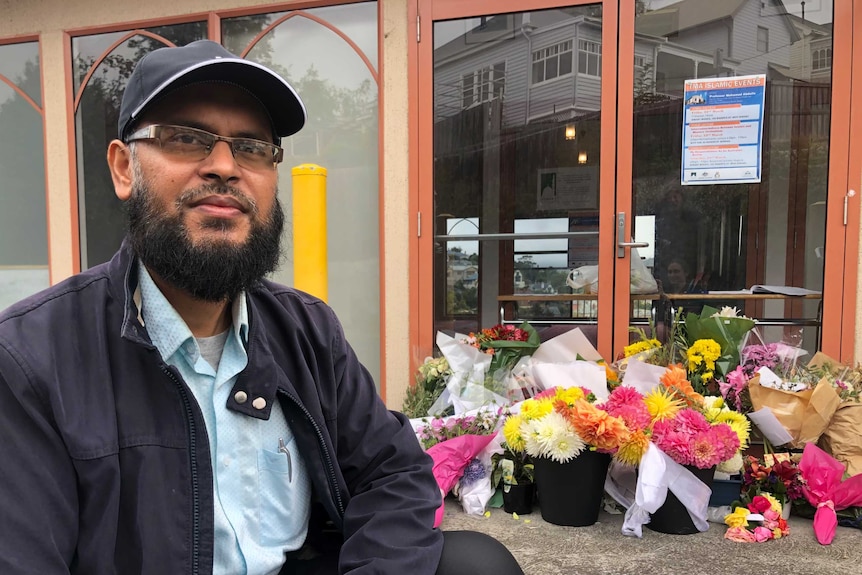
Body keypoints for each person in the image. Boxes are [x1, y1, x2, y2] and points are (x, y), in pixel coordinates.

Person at [0, 40, 523, 575]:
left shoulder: (306, 330)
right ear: (123, 168)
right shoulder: (29, 360)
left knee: (477, 564)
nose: (225, 166)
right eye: (187, 138)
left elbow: (393, 473)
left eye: (252, 147)